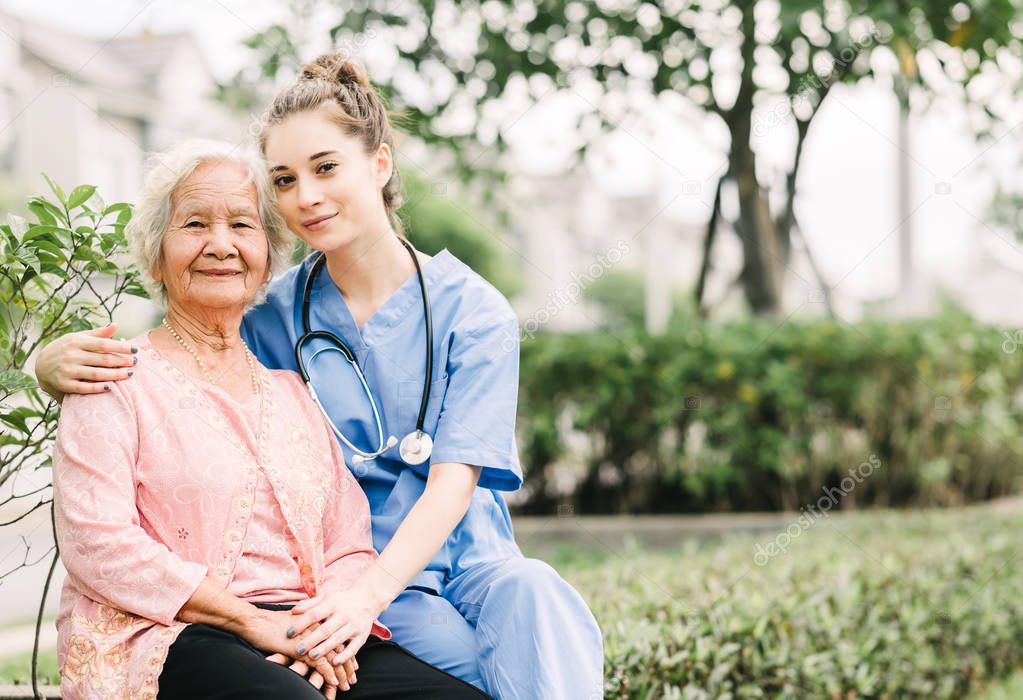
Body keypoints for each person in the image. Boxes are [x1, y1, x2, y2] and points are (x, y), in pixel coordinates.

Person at [37, 53, 604, 699]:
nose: (305, 196)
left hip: (438, 565)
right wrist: (49, 366)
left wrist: (362, 598)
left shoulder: (473, 312)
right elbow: (181, 361)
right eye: (282, 180)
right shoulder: (270, 312)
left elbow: (454, 481)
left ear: (380, 163)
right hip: (348, 587)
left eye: (326, 168)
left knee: (535, 596)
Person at [51, 140, 489, 700]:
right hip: (171, 630)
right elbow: (97, 544)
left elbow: (348, 542)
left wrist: (327, 628)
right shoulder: (113, 380)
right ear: (156, 256)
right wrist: (249, 621)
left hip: (300, 626)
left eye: (241, 225)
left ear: (266, 260)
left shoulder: (294, 391)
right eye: (194, 224)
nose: (220, 244)